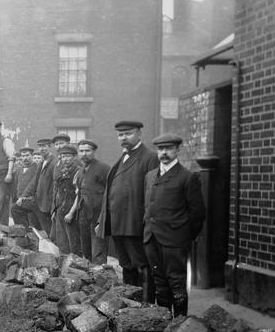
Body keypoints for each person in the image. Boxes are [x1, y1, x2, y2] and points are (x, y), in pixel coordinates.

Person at [144, 133, 205, 317]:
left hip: (175, 241)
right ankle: (163, 325)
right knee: (159, 284)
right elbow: (147, 207)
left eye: (169, 149)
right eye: (160, 149)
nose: (164, 153)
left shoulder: (187, 177)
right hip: (151, 238)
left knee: (177, 284)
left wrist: (184, 236)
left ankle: (179, 326)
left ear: (177, 150)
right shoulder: (149, 176)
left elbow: (198, 213)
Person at [97, 120, 159, 301]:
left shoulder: (149, 157)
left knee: (142, 266)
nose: (124, 138)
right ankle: (131, 304)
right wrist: (103, 219)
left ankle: (146, 308)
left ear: (139, 133)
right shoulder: (122, 158)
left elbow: (153, 195)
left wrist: (147, 224)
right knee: (126, 266)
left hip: (136, 224)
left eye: (128, 133)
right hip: (118, 224)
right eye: (120, 135)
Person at [67, 139, 110, 265]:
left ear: (94, 152)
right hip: (83, 217)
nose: (84, 154)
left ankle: (101, 281)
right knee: (86, 251)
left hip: (98, 219)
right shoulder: (80, 172)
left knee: (98, 253)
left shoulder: (104, 169)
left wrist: (102, 220)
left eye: (87, 151)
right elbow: (79, 194)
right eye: (81, 151)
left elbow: (110, 195)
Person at [51, 144, 82, 255]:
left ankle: (76, 270)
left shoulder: (78, 172)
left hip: (71, 213)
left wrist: (71, 213)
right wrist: (54, 210)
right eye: (63, 156)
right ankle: (63, 268)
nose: (65, 159)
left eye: (68, 156)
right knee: (62, 243)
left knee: (74, 244)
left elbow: (80, 195)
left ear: (74, 157)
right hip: (60, 211)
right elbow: (56, 192)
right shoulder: (61, 171)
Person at [10, 146, 39, 230]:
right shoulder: (19, 170)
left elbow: (34, 186)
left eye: (27, 155)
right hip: (20, 200)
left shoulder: (37, 168)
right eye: (23, 156)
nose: (25, 158)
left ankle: (23, 231)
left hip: (32, 200)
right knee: (16, 211)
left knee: (15, 209)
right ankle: (22, 233)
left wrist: (25, 197)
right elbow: (16, 185)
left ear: (32, 156)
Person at [31, 138, 56, 235]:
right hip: (40, 199)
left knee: (49, 228)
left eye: (44, 146)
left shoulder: (53, 162)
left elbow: (54, 185)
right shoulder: (42, 162)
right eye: (40, 146)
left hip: (47, 201)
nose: (42, 149)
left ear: (50, 147)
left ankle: (52, 247)